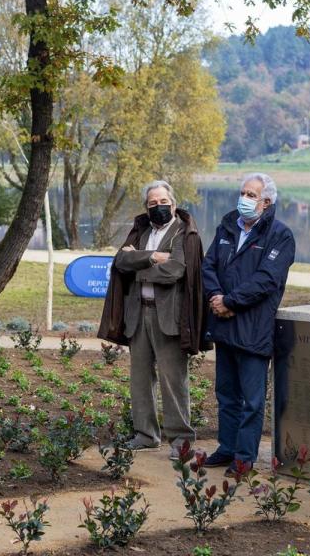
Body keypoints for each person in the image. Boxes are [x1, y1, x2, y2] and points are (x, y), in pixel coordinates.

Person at [98, 180, 207, 459]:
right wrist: (155, 257)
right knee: (140, 380)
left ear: (173, 203)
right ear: (146, 207)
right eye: (152, 204)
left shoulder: (184, 232)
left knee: (174, 380)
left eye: (163, 202)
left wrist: (140, 264)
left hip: (168, 317)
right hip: (138, 313)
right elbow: (120, 262)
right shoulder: (142, 231)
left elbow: (176, 270)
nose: (158, 207)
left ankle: (181, 440)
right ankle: (146, 435)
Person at [201, 173, 295, 473]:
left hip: (253, 328)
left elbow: (267, 280)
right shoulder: (227, 226)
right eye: (243, 192)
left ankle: (244, 458)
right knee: (226, 393)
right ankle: (227, 447)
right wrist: (216, 295)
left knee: (252, 400)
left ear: (266, 202)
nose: (244, 199)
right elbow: (209, 265)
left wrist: (230, 302)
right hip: (224, 326)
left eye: (251, 195)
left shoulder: (280, 235)